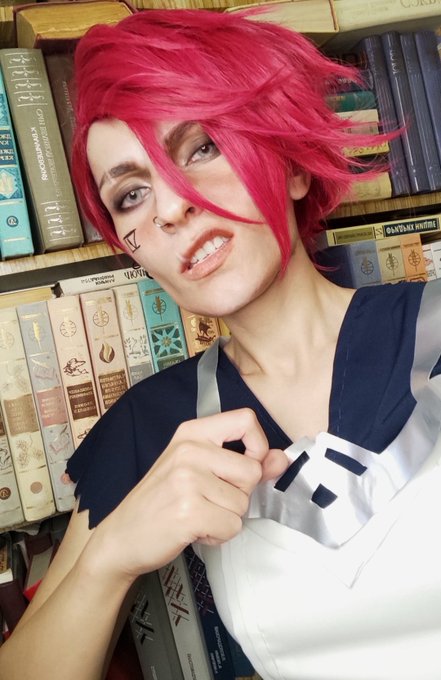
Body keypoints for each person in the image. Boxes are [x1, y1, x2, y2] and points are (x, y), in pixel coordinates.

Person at [1, 9, 441, 680]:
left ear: (293, 170)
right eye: (131, 194)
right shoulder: (150, 424)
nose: (170, 208)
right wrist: (108, 557)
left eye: (202, 147)